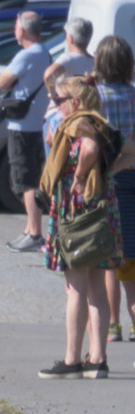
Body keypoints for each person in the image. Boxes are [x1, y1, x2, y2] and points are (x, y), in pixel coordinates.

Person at [35, 108, 123, 379]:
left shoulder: (78, 128)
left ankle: (72, 359)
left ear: (74, 101)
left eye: (59, 99)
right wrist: (108, 169)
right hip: (102, 213)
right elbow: (129, 150)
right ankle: (97, 359)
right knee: (96, 288)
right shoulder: (103, 127)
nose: (53, 104)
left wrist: (81, 175)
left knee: (76, 290)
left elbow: (89, 147)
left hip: (78, 213)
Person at [0, 10, 53, 253]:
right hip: (38, 124)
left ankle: (35, 232)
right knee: (32, 177)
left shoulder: (27, 55)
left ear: (22, 30)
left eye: (16, 26)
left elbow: (1, 83)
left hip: (23, 125)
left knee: (26, 179)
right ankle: (30, 229)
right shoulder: (45, 52)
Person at [88, 35, 135, 339]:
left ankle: (113, 324)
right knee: (131, 262)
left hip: (110, 181)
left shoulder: (97, 98)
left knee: (110, 258)